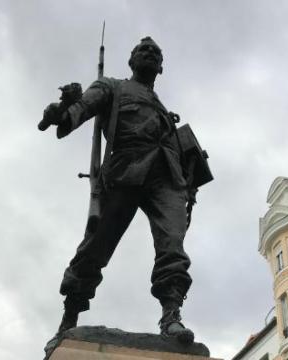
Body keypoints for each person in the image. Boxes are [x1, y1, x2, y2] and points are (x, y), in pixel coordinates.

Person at [41, 37, 197, 345]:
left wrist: (187, 184)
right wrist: (63, 112)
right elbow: (84, 106)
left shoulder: (165, 110)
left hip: (166, 177)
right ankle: (68, 318)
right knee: (95, 247)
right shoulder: (112, 86)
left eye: (155, 52)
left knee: (172, 245)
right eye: (143, 50)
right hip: (125, 169)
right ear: (131, 61)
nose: (149, 53)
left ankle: (171, 316)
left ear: (161, 67)